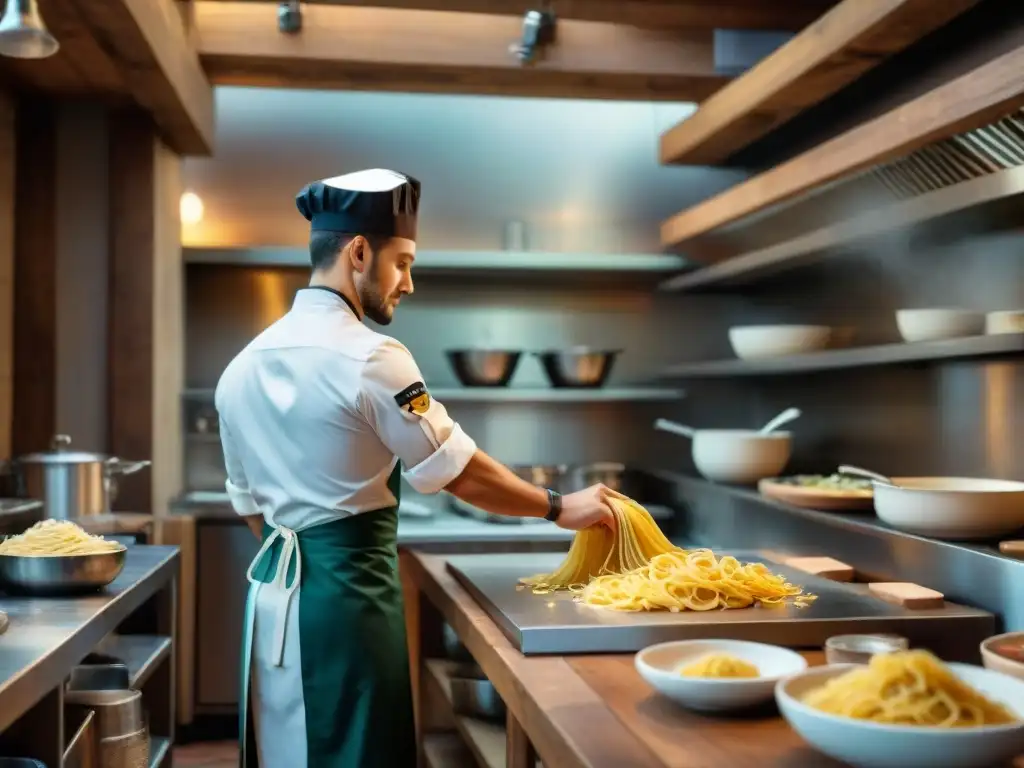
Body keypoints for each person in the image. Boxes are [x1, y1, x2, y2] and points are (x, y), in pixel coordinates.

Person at [215, 168, 620, 768]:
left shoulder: (239, 368)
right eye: (401, 262)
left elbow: (251, 513)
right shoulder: (374, 356)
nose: (408, 282)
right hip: (348, 608)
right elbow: (459, 469)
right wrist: (559, 507)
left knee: (289, 751)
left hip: (273, 604)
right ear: (358, 252)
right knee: (358, 752)